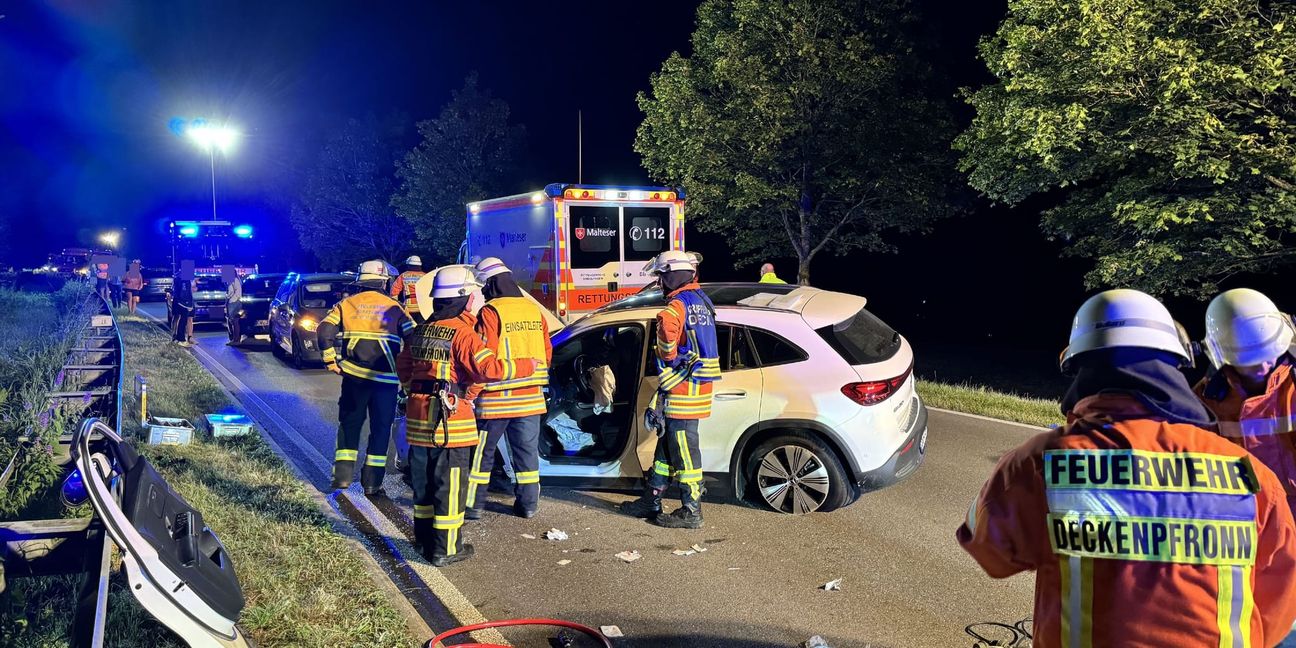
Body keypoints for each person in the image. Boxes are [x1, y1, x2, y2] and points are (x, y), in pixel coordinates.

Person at [958, 289, 1296, 646]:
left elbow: (989, 552)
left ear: (1080, 369)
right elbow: (1278, 602)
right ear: (1175, 365)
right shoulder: (1251, 474)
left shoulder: (1039, 461)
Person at [396, 266, 535, 566]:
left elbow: (404, 368)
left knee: (425, 486)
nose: (476, 299)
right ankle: (446, 549)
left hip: (418, 423)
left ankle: (424, 541)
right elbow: (489, 369)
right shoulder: (463, 335)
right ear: (461, 297)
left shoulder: (421, 330)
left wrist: (415, 391)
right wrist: (526, 365)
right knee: (450, 487)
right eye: (472, 294)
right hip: (450, 425)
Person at [620, 250, 721, 529]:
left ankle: (692, 510)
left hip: (682, 388)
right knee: (667, 448)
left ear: (673, 276)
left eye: (662, 277)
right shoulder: (701, 300)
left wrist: (668, 357)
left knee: (685, 452)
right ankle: (651, 499)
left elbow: (666, 350)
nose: (660, 283)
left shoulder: (674, 308)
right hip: (696, 386)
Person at [464, 257, 552, 519]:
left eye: (483, 286)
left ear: (491, 284)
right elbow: (547, 353)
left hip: (496, 400)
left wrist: (470, 395)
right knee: (526, 456)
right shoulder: (533, 310)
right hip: (531, 399)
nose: (481, 292)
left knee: (482, 455)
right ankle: (528, 506)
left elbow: (482, 360)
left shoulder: (491, 312)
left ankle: (473, 506)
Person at [317, 260, 414, 496]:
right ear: (383, 281)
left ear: (360, 281)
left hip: (354, 380)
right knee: (381, 430)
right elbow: (413, 339)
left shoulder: (346, 304)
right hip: (386, 383)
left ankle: (341, 478)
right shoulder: (395, 308)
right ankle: (372, 483)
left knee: (349, 426)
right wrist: (408, 376)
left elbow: (324, 331)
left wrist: (330, 360)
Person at [1196, 288, 1296, 516]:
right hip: (1246, 524)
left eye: (1269, 353)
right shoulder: (1204, 402)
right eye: (1250, 360)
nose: (1263, 366)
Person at [390, 255, 427, 322]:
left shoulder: (403, 276)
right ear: (420, 265)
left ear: (408, 265)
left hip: (409, 308)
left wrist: (397, 308)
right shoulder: (425, 276)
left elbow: (394, 292)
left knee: (409, 329)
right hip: (423, 308)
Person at [171, 269, 196, 347]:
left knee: (183, 319)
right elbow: (184, 292)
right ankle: (180, 339)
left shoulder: (178, 277)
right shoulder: (184, 279)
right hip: (183, 303)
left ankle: (179, 338)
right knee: (182, 319)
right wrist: (186, 303)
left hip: (182, 302)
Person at [223, 266, 243, 346]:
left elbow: (230, 291)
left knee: (233, 321)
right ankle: (236, 339)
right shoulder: (237, 280)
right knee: (236, 321)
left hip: (233, 302)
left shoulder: (231, 280)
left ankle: (235, 340)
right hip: (238, 301)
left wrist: (227, 297)